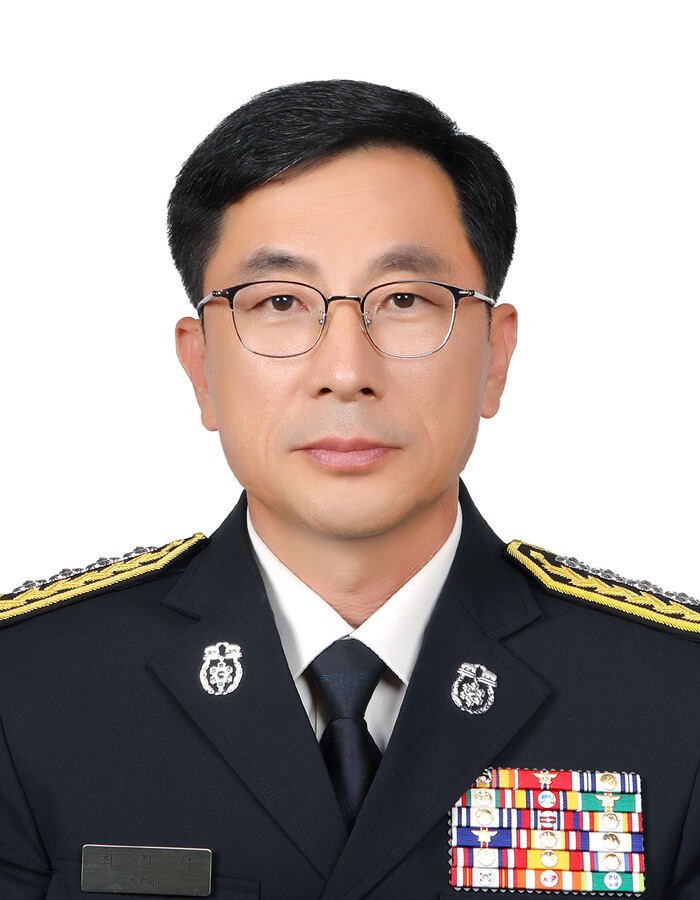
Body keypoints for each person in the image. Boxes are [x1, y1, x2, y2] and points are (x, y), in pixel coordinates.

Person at [1, 80, 699, 900]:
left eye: (404, 300)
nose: (344, 371)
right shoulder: (29, 690)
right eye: (279, 302)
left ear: (495, 356)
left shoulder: (673, 700)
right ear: (201, 368)